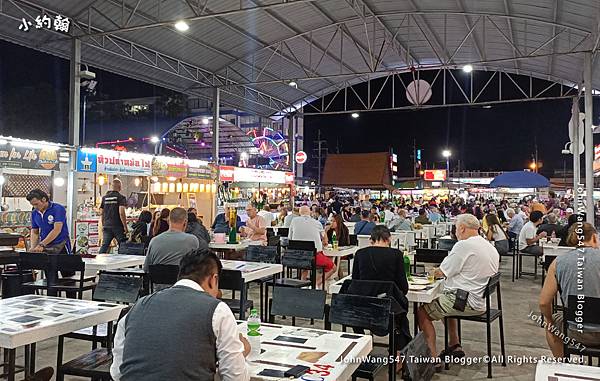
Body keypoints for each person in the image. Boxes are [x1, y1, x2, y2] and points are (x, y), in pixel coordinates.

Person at [111, 249, 251, 381]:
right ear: (213, 279)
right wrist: (241, 352)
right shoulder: (218, 310)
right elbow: (235, 377)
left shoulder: (137, 307)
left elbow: (117, 372)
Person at [417, 214, 499, 368]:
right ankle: (454, 344)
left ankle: (432, 359)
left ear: (462, 228)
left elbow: (442, 272)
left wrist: (428, 272)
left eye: (455, 228)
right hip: (480, 301)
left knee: (422, 312)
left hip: (464, 301)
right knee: (443, 303)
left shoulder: (464, 245)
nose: (455, 231)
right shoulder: (489, 245)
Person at [350, 225, 412, 370]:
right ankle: (398, 357)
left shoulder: (360, 254)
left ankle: (363, 349)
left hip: (363, 310)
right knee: (402, 319)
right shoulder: (396, 254)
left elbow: (356, 281)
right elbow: (403, 286)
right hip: (387, 309)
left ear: (371, 240)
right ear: (389, 239)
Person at [540, 221, 600, 357]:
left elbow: (544, 303)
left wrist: (549, 319)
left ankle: (561, 364)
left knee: (551, 324)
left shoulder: (559, 262)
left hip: (573, 330)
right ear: (594, 237)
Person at [288, 205, 336, 287]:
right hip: (313, 257)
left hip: (297, 257)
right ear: (310, 212)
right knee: (333, 267)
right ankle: (316, 283)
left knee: (305, 266)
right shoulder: (317, 223)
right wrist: (325, 234)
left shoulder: (294, 221)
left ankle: (302, 284)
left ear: (300, 213)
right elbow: (325, 240)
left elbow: (290, 238)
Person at [144, 208, 200, 272]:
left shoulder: (154, 241)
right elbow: (196, 267)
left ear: (168, 221)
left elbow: (146, 268)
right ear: (185, 222)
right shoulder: (192, 240)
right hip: (182, 280)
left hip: (158, 281)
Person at [27, 189, 72, 254]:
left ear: (44, 199)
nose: (35, 207)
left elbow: (57, 230)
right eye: (33, 205)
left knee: (61, 263)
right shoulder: (34, 213)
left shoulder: (58, 208)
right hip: (45, 245)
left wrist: (42, 244)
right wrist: (33, 247)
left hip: (60, 245)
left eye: (36, 204)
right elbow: (35, 232)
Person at [99, 179, 129, 253]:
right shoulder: (121, 197)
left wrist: (103, 224)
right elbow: (121, 212)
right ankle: (123, 263)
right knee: (123, 245)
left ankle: (98, 261)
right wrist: (125, 227)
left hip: (107, 226)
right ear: (120, 187)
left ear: (112, 187)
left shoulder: (104, 198)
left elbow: (101, 212)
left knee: (105, 245)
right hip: (118, 226)